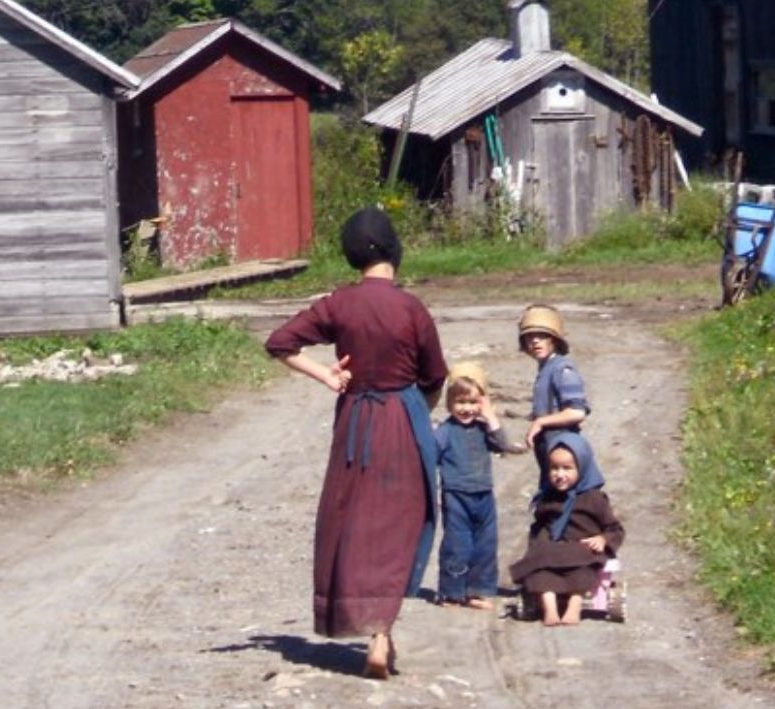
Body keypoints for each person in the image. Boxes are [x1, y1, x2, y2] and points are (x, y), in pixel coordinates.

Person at [265, 208, 447, 680]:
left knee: (355, 524)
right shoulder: (411, 308)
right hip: (403, 420)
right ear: (393, 250)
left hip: (355, 425)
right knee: (399, 523)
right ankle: (381, 634)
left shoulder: (339, 304)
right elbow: (435, 375)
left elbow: (279, 342)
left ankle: (370, 626)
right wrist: (420, 411)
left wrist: (327, 373)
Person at [508, 430, 624, 626]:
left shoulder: (594, 498)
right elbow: (541, 522)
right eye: (554, 468)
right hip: (553, 548)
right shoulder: (548, 495)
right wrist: (539, 543)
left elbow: (615, 528)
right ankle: (550, 608)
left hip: (582, 549)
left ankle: (574, 605)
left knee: (583, 570)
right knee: (540, 569)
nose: (559, 475)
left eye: (567, 468)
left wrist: (603, 539)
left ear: (583, 468)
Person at [432, 363, 521, 610]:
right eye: (460, 402)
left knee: (485, 544)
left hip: (483, 494)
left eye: (473, 402)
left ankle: (477, 591)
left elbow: (504, 445)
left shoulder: (484, 429)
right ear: (449, 403)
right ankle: (451, 592)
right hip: (456, 495)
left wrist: (491, 416)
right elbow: (430, 458)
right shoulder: (445, 431)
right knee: (457, 544)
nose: (467, 409)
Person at [519, 304, 589, 455]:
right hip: (548, 446)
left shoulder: (562, 369)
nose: (535, 341)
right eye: (530, 336)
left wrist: (541, 421)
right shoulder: (546, 368)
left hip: (562, 447)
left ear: (554, 340)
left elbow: (577, 412)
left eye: (542, 336)